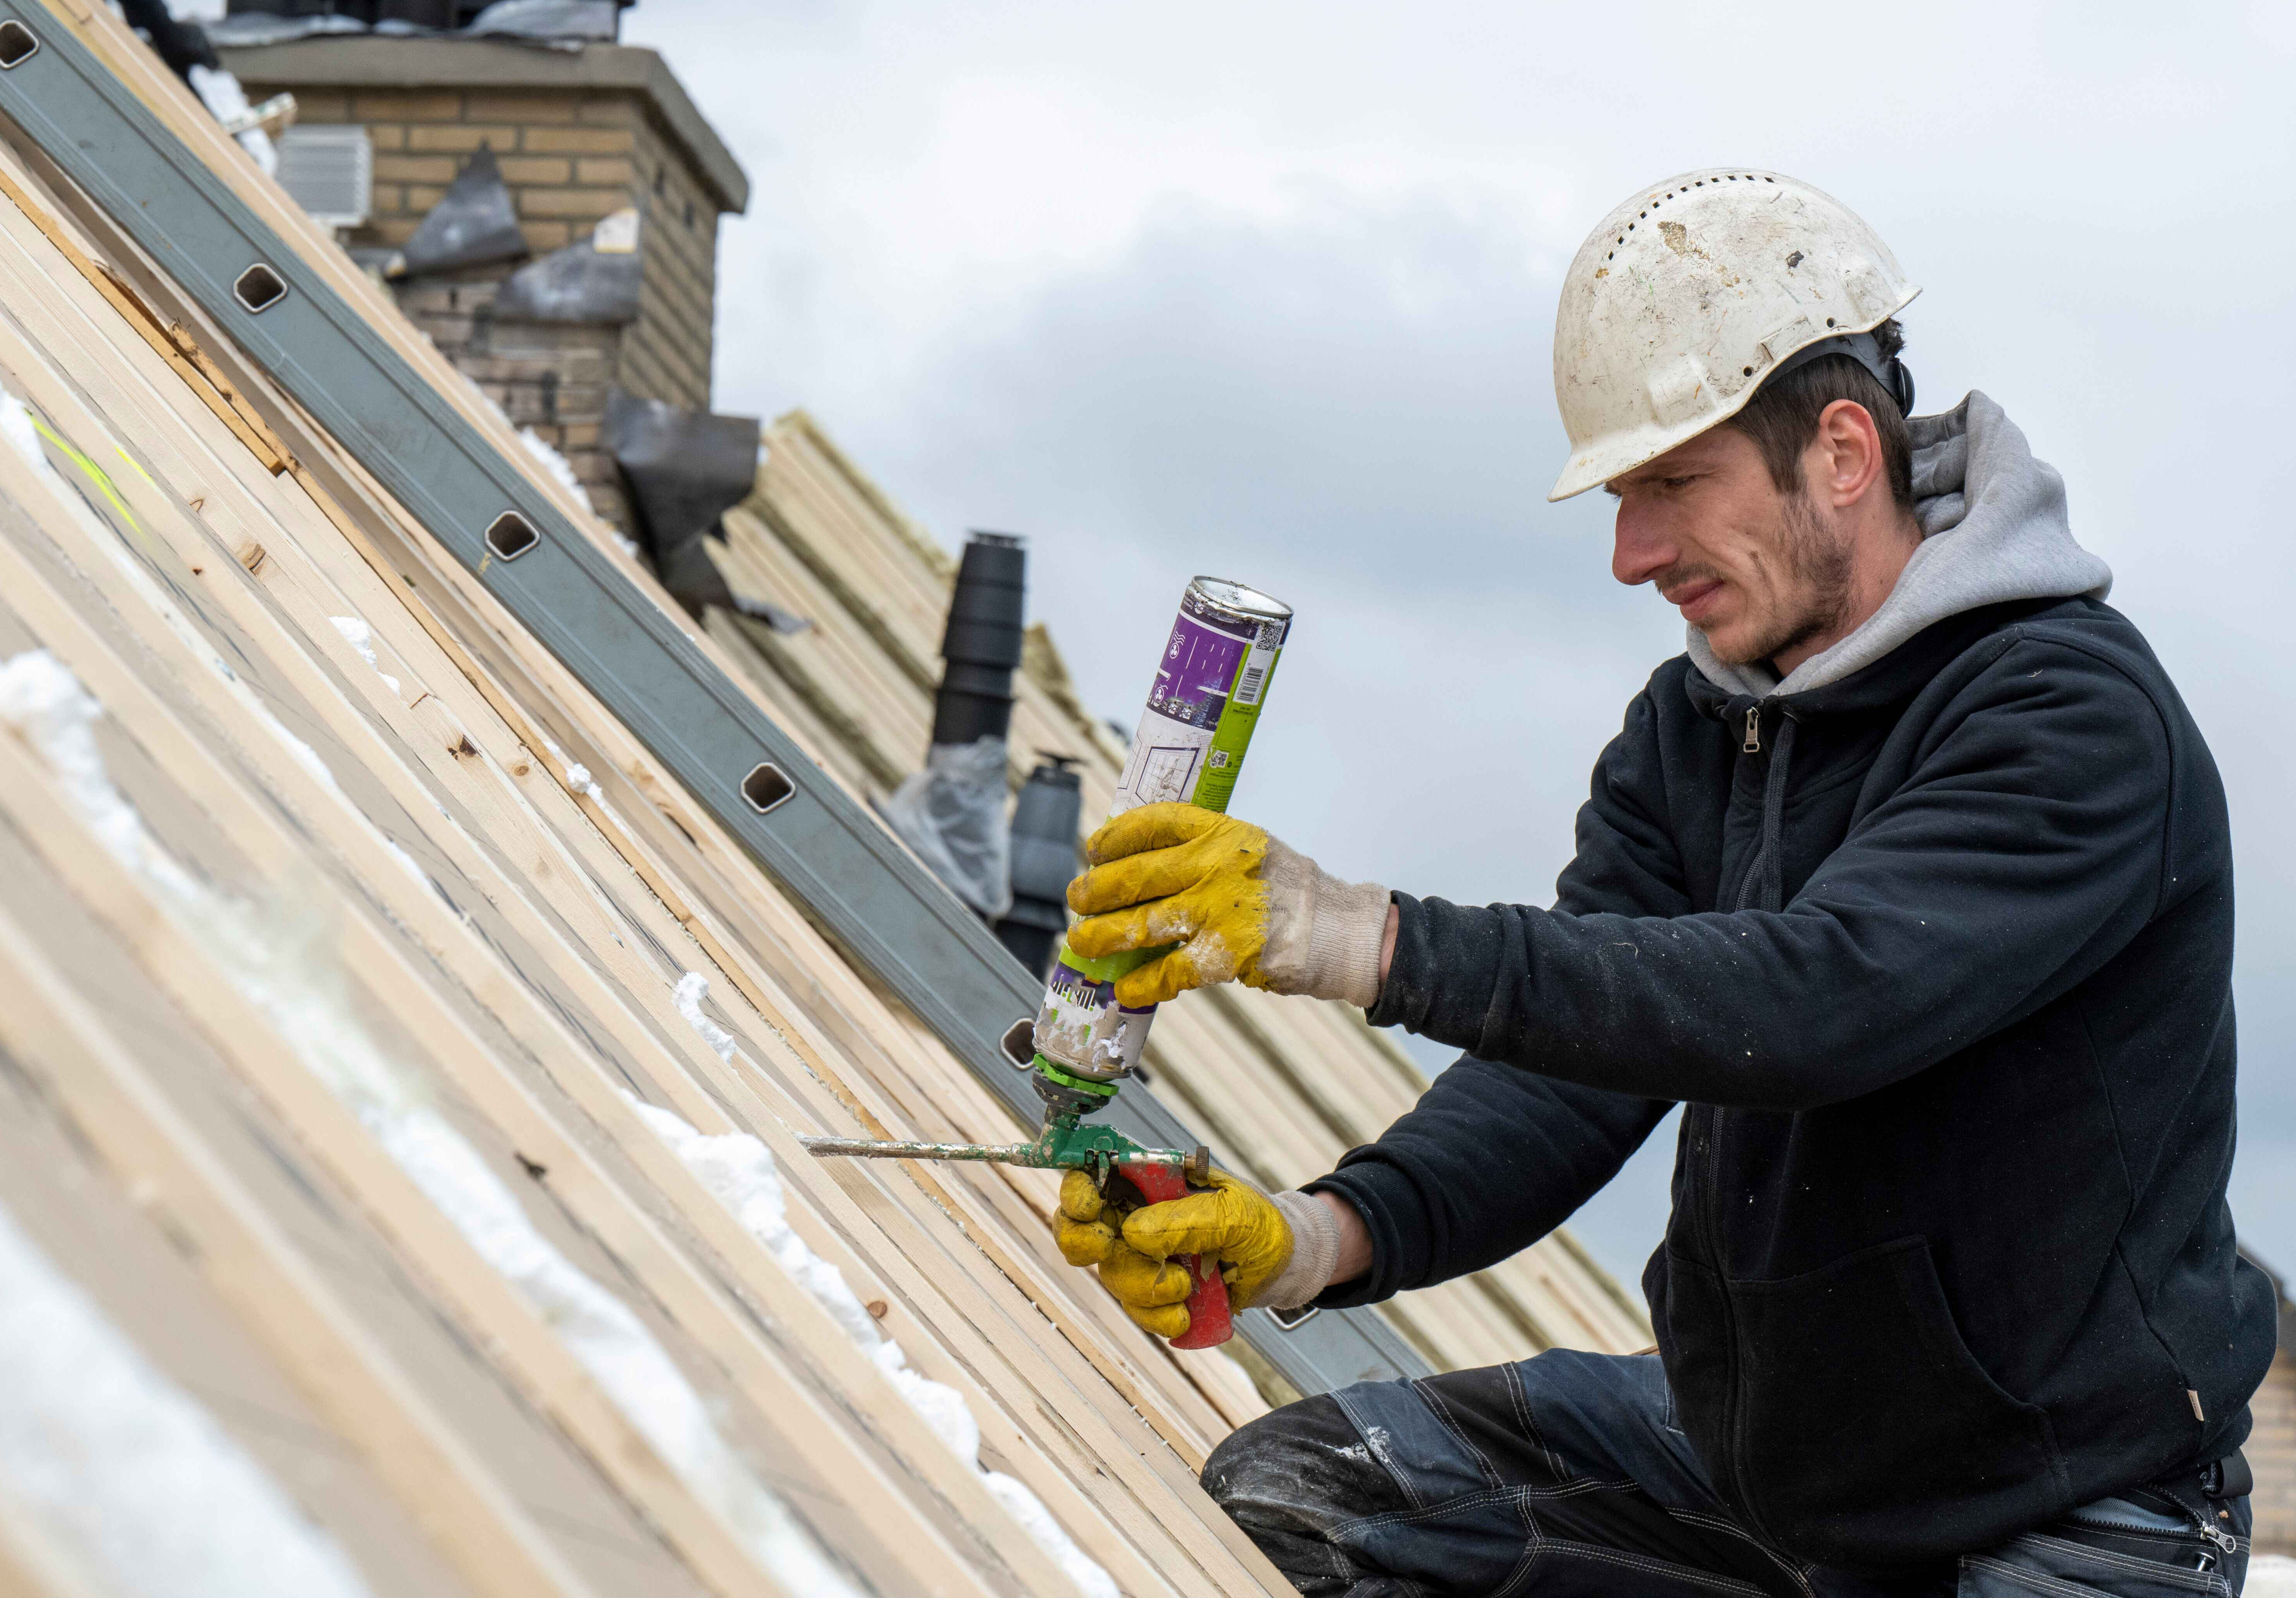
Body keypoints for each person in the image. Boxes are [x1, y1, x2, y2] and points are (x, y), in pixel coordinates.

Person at [1050, 170, 2276, 1595]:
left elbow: (1813, 1004)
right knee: (1305, 1500)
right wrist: (1318, 1240)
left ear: (1841, 453)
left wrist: (1354, 937)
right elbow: (1581, 1067)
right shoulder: (1698, 728)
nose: (1633, 556)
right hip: (1766, 1470)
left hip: (2056, 1520)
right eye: (1624, 499)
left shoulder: (2066, 718)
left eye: (1673, 486)